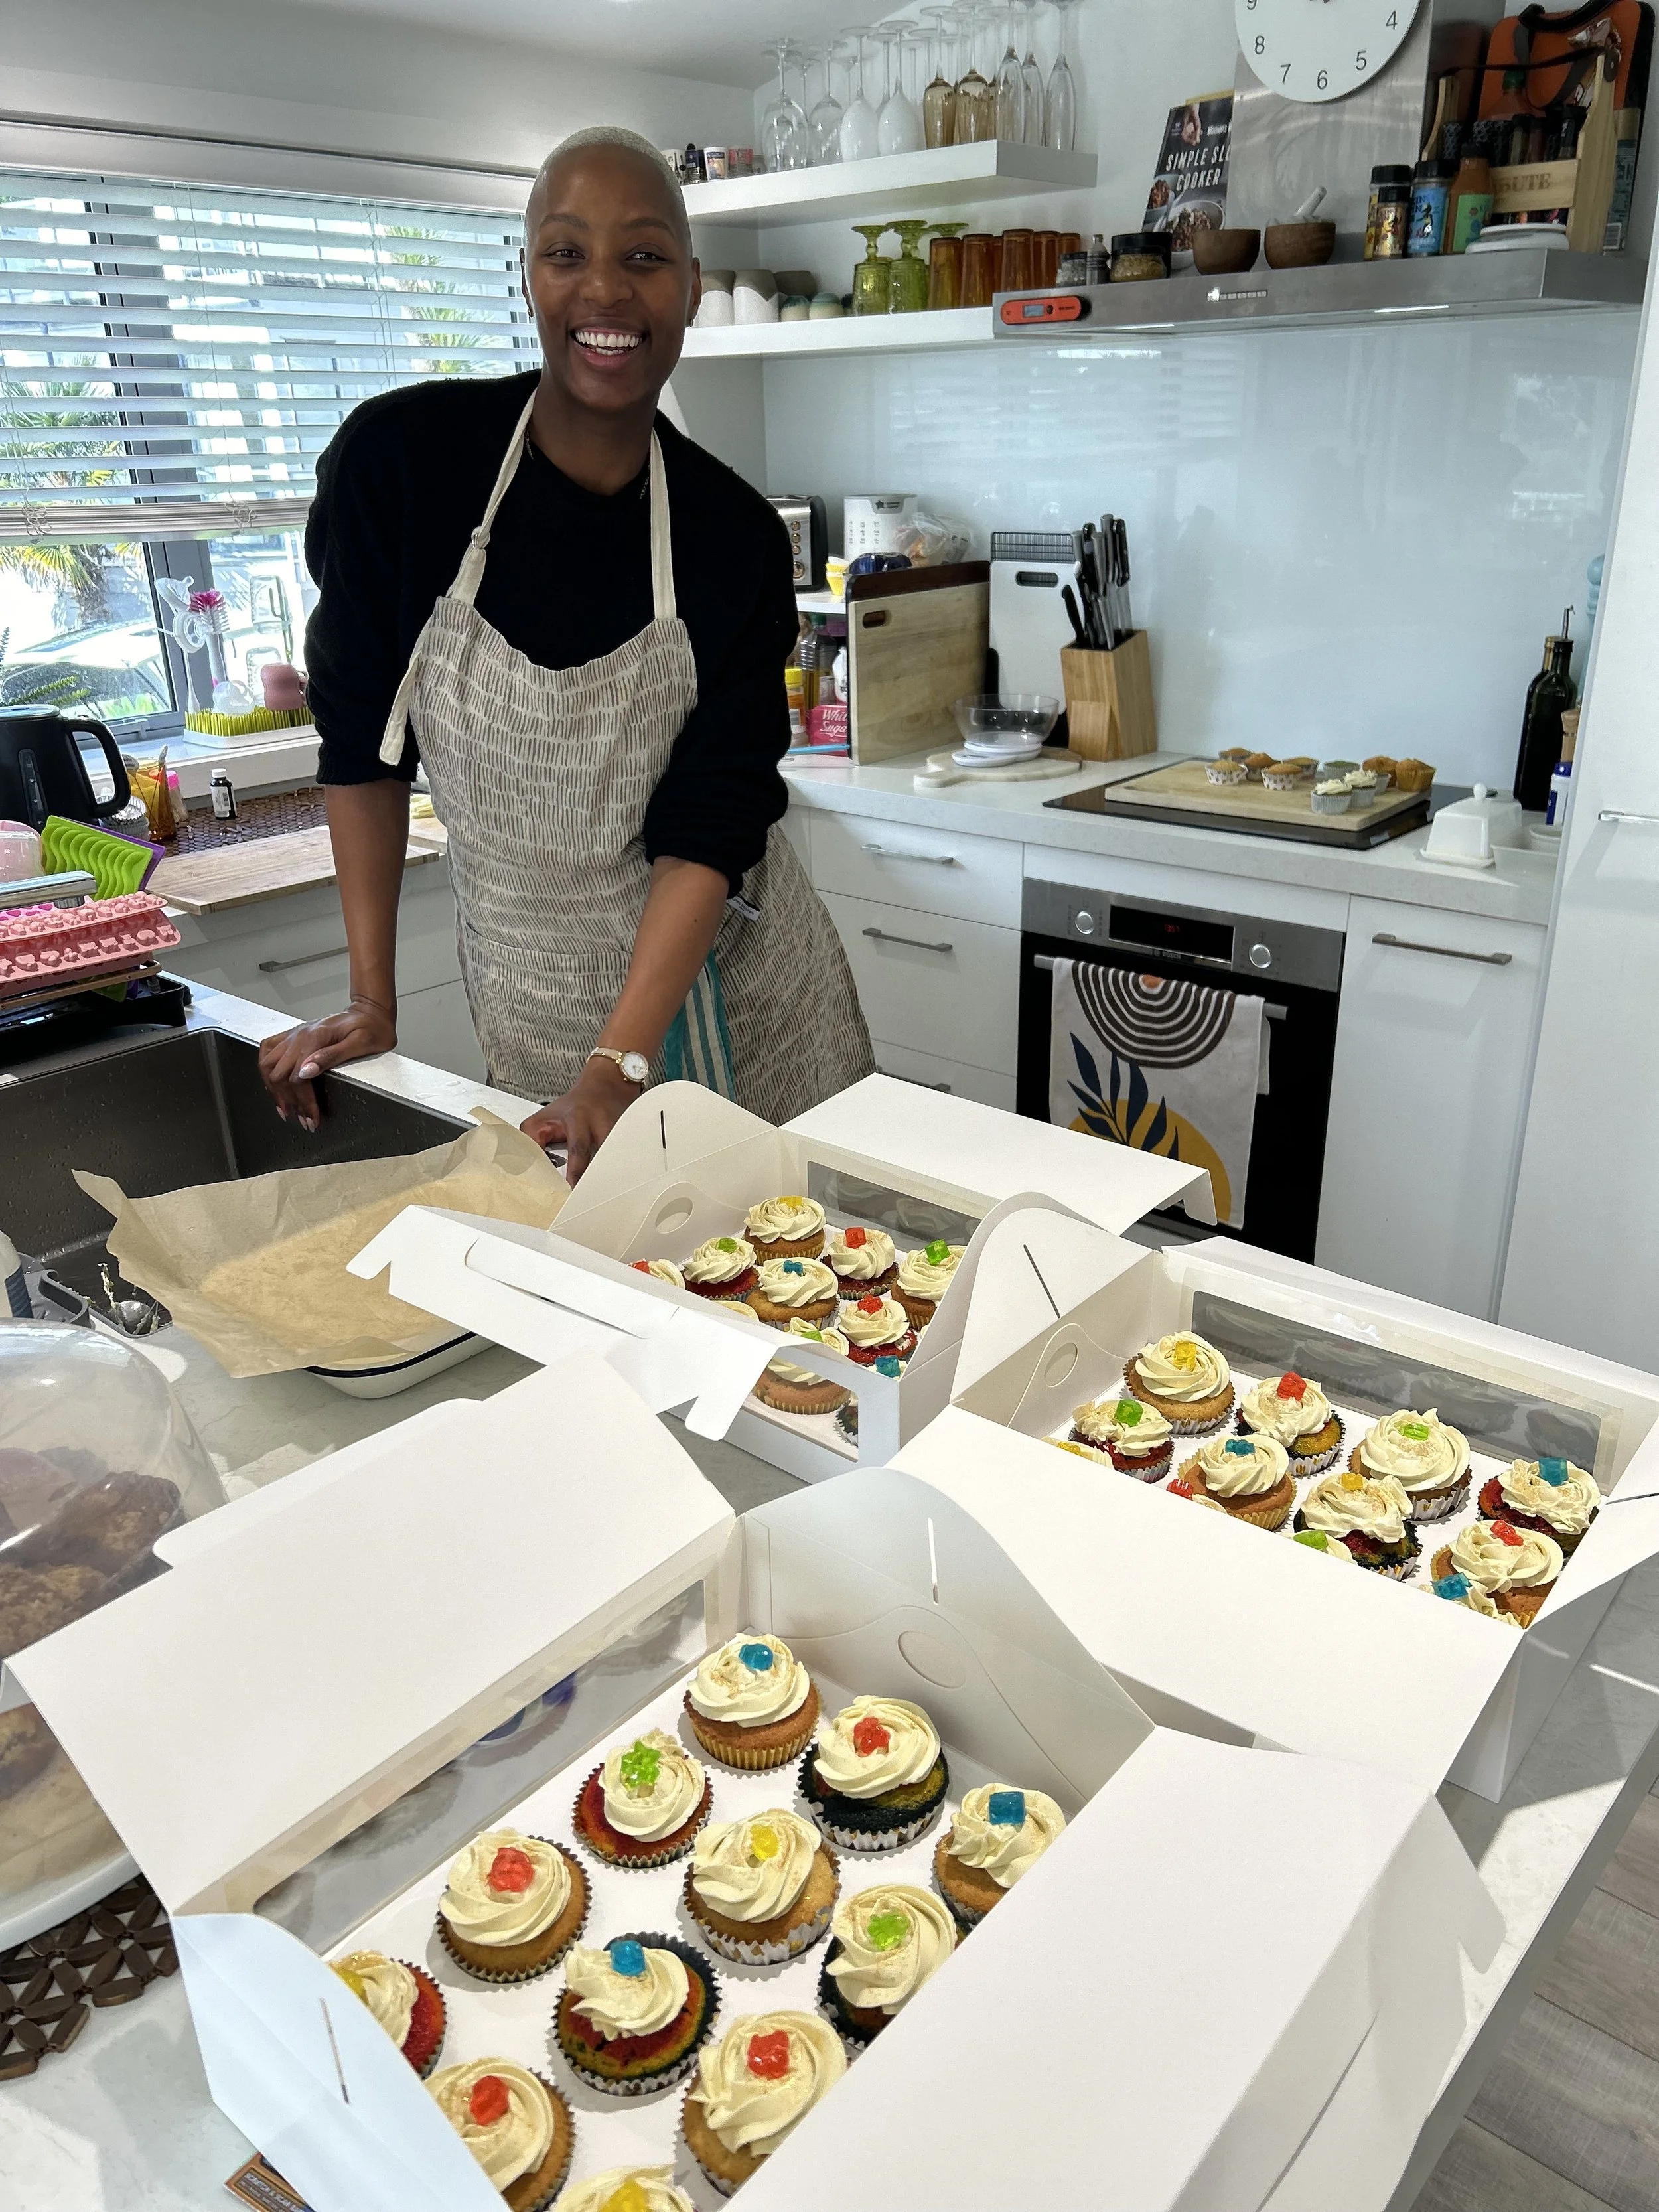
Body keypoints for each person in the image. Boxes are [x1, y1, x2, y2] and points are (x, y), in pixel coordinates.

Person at [259, 125, 871, 1177]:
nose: (606, 293)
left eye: (644, 257)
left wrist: (620, 1059)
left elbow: (709, 827)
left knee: (810, 1284)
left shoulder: (729, 536)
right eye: (566, 252)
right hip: (533, 996)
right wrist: (373, 996)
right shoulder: (405, 468)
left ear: (688, 284)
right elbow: (362, 741)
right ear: (530, 273)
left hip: (752, 997)